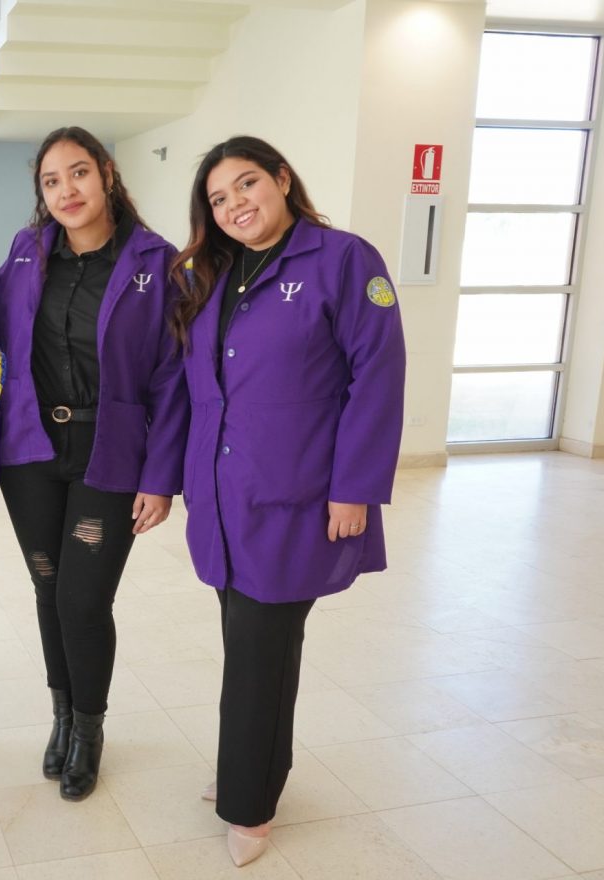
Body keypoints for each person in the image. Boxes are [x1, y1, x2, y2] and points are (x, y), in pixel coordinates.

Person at [170, 135, 405, 867]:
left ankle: (250, 806)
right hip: (224, 493)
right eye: (218, 198)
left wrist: (355, 489)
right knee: (247, 642)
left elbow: (378, 374)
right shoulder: (213, 274)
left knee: (261, 650)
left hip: (296, 493)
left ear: (281, 179)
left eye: (246, 184)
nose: (235, 204)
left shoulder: (343, 260)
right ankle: (249, 766)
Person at [0, 127, 188, 801]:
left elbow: (172, 379)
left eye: (78, 173)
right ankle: (61, 715)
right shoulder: (26, 253)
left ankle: (89, 729)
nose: (66, 190)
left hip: (108, 454)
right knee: (48, 589)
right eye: (51, 181)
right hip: (29, 453)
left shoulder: (156, 263)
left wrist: (160, 478)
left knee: (82, 599)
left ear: (107, 174)